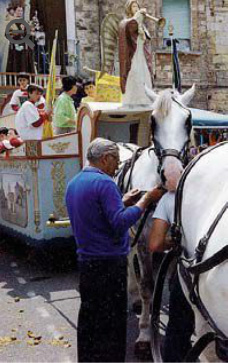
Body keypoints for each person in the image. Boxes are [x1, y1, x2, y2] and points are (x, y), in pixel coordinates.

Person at [66, 138, 164, 362]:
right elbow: (120, 223)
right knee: (112, 323)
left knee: (90, 318)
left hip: (86, 262)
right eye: (116, 161)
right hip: (109, 264)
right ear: (105, 158)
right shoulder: (106, 183)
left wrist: (122, 201)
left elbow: (97, 215)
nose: (117, 166)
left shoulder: (75, 183)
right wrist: (145, 200)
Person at [148, 185, 195, 361]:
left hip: (188, 274)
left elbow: (155, 243)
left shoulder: (169, 198)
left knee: (177, 329)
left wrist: (172, 242)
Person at [119, 0, 153, 105]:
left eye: (137, 6)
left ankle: (145, 100)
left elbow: (147, 39)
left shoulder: (141, 24)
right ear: (129, 8)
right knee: (134, 77)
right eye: (133, 6)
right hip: (132, 57)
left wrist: (142, 34)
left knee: (144, 77)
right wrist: (137, 18)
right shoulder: (125, 22)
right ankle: (133, 101)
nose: (136, 8)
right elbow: (129, 27)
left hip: (142, 55)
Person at [6, 6, 35, 74]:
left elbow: (28, 34)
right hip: (15, 47)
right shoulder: (10, 22)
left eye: (21, 11)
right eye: (18, 11)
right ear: (15, 11)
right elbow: (8, 34)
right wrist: (20, 32)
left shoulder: (24, 22)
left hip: (24, 47)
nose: (20, 12)